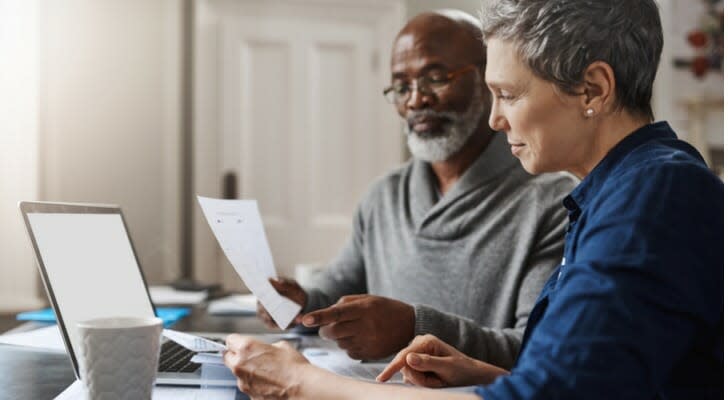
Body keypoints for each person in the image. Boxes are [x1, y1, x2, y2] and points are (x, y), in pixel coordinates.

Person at [223, 0, 723, 399]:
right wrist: (479, 373)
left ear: (593, 88)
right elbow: (589, 375)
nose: (495, 119)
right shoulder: (616, 193)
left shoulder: (653, 195)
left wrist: (304, 384)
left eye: (508, 94)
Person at [256, 9, 576, 367]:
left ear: (489, 78)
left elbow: (539, 349)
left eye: (435, 78)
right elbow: (333, 290)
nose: (415, 100)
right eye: (401, 86)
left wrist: (414, 328)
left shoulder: (552, 202)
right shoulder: (384, 197)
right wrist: (301, 305)